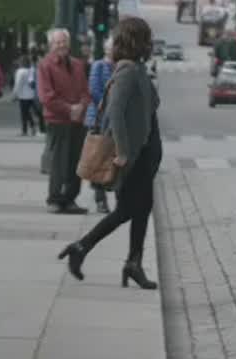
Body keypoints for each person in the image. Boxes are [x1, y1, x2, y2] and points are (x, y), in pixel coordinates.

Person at [58, 17, 163, 289]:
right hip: (135, 155)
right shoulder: (127, 72)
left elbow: (149, 106)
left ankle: (133, 262)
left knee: (142, 208)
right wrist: (123, 151)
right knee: (128, 209)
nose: (150, 43)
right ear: (137, 41)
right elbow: (115, 111)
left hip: (145, 154)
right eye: (147, 38)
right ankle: (83, 246)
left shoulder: (137, 69)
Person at [38, 28, 90, 215]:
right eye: (57, 42)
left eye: (64, 41)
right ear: (51, 45)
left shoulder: (78, 64)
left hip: (77, 120)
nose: (61, 45)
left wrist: (81, 107)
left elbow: (85, 91)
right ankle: (54, 199)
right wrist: (69, 109)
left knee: (76, 162)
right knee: (59, 162)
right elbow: (46, 96)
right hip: (58, 120)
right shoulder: (45, 65)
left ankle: (70, 199)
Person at [86, 39, 116, 215]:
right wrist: (109, 106)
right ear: (106, 49)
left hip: (115, 120)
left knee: (113, 160)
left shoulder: (120, 66)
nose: (114, 51)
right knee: (98, 161)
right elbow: (94, 90)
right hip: (99, 119)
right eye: (112, 48)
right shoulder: (98, 65)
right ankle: (100, 200)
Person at [12, 56, 38, 136]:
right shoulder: (31, 70)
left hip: (23, 95)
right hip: (32, 95)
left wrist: (15, 94)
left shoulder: (20, 71)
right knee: (28, 112)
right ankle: (33, 126)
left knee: (24, 113)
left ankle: (24, 130)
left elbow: (18, 84)